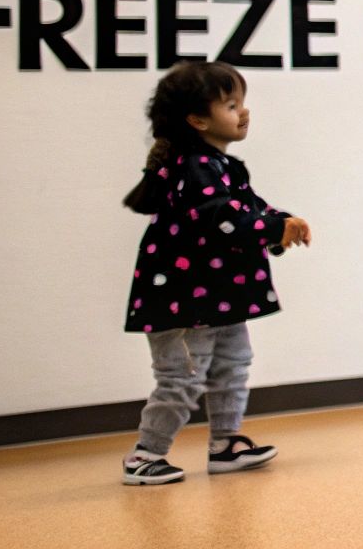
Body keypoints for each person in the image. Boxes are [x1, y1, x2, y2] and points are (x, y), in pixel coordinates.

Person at [119, 61, 313, 485]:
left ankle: (225, 444)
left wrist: (282, 223)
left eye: (242, 103)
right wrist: (272, 229)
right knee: (182, 379)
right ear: (197, 119)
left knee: (232, 366)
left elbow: (250, 209)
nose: (244, 112)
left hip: (219, 296)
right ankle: (144, 455)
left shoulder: (220, 166)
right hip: (185, 301)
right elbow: (221, 220)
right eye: (231, 104)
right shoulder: (194, 168)